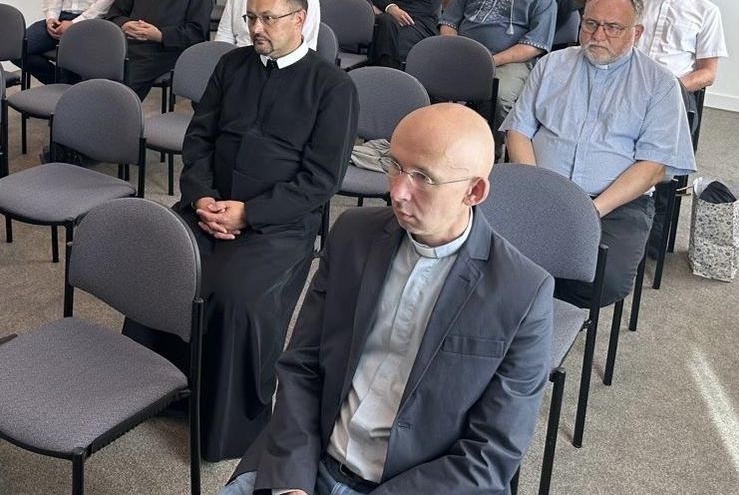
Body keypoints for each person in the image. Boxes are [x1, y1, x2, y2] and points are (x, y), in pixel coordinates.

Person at [223, 104, 553, 495]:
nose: (396, 191)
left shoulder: (523, 292)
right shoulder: (353, 235)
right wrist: (292, 484)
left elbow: (490, 454)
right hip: (307, 460)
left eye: (423, 177)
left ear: (474, 191)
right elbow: (302, 364)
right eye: (394, 165)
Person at [128, 0, 357, 462]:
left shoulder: (332, 86)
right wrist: (202, 198)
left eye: (267, 18)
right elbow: (199, 138)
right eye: (250, 17)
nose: (255, 28)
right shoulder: (232, 65)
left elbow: (322, 179)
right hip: (211, 202)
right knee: (159, 262)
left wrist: (249, 214)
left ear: (299, 19)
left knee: (235, 297)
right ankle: (157, 388)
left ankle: (224, 425)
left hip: (280, 220)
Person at [503, 0, 695, 307]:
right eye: (590, 24)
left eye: (613, 27)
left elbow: (653, 167)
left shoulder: (659, 84)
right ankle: (529, 308)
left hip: (613, 204)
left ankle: (543, 312)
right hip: (542, 189)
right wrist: (536, 190)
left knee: (601, 278)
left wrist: (590, 212)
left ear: (636, 33)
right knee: (483, 251)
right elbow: (518, 131)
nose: (597, 35)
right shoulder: (551, 65)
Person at [635, 0, 727, 254]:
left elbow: (708, 73)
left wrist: (669, 88)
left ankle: (655, 241)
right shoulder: (635, 0)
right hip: (630, 88)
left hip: (674, 93)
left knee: (664, 166)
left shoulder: (706, 11)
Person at [439, 0, 557, 127]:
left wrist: (490, 61)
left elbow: (535, 45)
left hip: (508, 62)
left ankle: (497, 144)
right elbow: (448, 22)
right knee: (429, 77)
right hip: (462, 54)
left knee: (500, 96)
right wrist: (455, 52)